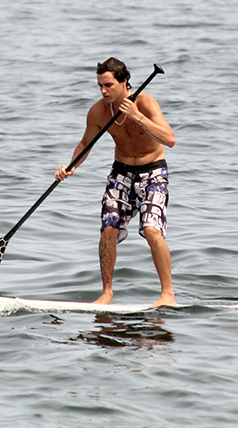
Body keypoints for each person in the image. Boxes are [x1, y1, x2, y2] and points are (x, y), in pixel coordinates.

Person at [55, 57, 176, 307]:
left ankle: (167, 295)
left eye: (109, 85)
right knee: (108, 229)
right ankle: (107, 292)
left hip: (153, 171)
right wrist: (70, 166)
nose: (103, 90)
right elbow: (86, 143)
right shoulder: (99, 111)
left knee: (152, 231)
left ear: (124, 82)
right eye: (100, 85)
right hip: (121, 171)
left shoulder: (145, 102)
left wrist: (138, 117)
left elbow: (170, 139)